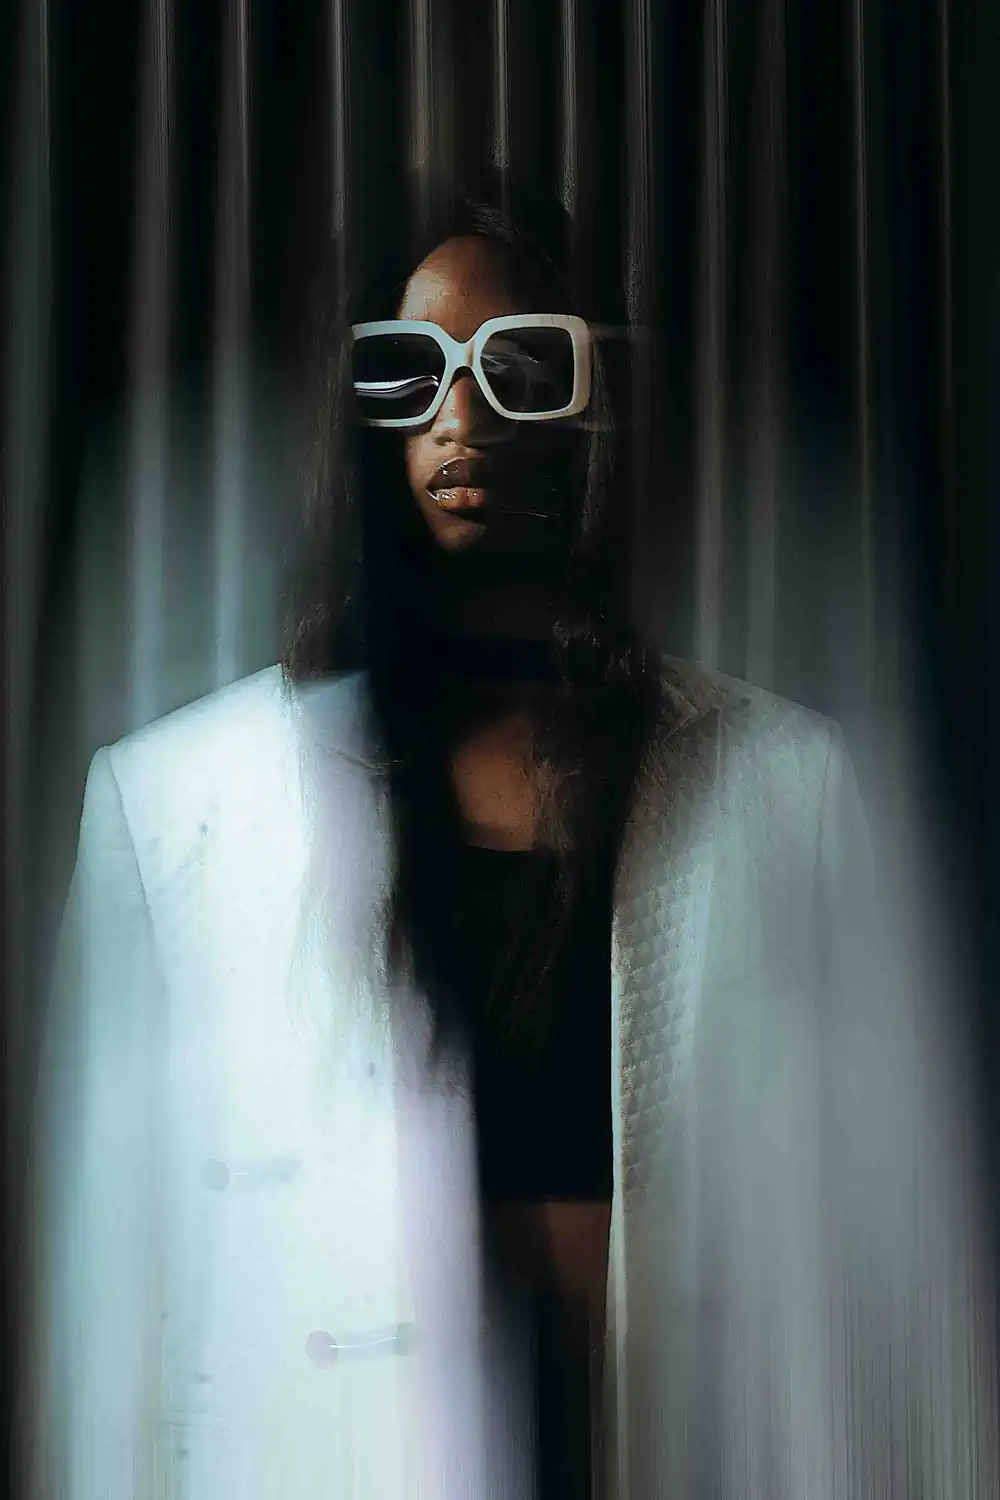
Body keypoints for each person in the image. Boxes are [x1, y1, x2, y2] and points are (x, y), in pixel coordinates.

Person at [21, 180, 997, 1499]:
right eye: (409, 370)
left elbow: (879, 1251)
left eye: (521, 366)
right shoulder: (176, 809)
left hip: (673, 1443)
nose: (463, 415)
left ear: (591, 409)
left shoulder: (784, 789)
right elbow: (115, 1295)